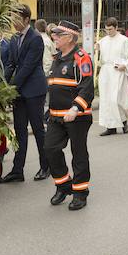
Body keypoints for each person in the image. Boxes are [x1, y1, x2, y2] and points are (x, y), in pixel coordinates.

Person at [44, 21, 95, 211]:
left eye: (57, 34)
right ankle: (63, 186)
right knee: (50, 149)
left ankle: (80, 193)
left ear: (69, 38)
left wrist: (75, 108)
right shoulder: (57, 57)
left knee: (78, 153)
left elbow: (87, 87)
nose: (54, 37)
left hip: (77, 116)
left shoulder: (81, 58)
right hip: (56, 116)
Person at [1, 5, 49, 182]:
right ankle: (17, 170)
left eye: (17, 18)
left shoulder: (36, 38)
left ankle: (46, 166)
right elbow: (11, 64)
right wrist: (3, 84)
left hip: (34, 90)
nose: (14, 22)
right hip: (19, 90)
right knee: (20, 131)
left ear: (27, 19)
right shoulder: (14, 38)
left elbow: (28, 67)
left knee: (38, 130)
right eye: (12, 18)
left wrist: (12, 87)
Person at [97, 17, 128, 136]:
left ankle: (124, 122)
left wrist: (124, 65)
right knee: (106, 100)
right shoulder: (103, 41)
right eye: (106, 30)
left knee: (117, 99)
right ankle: (110, 127)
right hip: (106, 72)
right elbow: (99, 58)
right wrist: (97, 50)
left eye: (110, 29)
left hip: (117, 71)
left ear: (115, 28)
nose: (108, 32)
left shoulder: (124, 40)